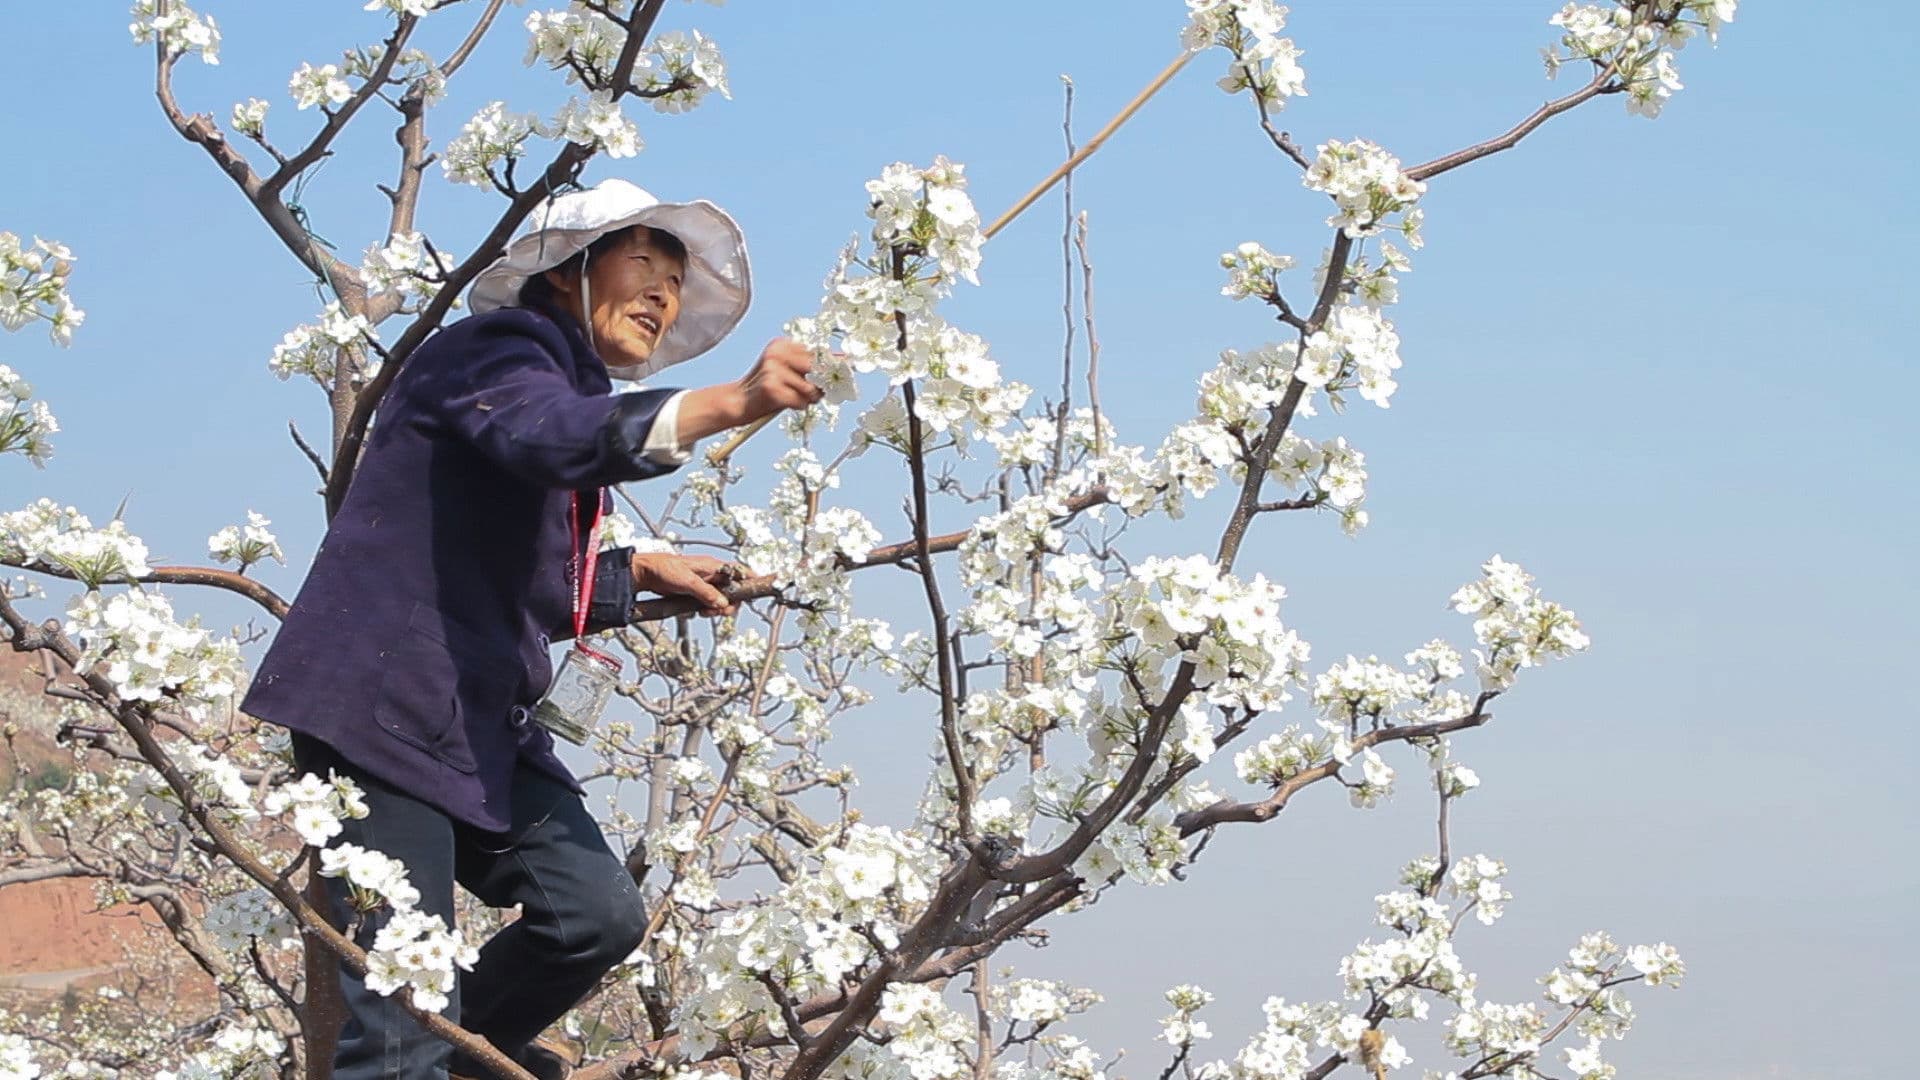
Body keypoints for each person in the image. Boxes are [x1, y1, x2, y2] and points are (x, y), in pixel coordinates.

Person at [240, 178, 821, 1080]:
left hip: (473, 718)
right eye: (644, 262)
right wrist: (729, 404)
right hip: (382, 710)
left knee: (595, 915)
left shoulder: (565, 394)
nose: (664, 293)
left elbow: (534, 572)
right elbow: (546, 434)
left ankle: (465, 1065)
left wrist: (633, 573)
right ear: (567, 270)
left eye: (676, 278)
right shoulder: (494, 350)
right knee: (397, 1025)